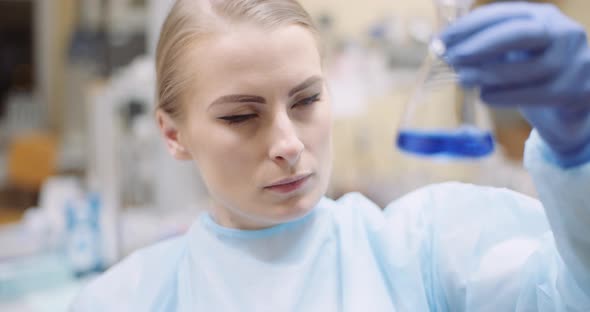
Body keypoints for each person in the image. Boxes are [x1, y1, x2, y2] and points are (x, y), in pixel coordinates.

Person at [71, 0, 590, 310]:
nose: (289, 144)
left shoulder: (420, 251)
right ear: (172, 134)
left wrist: (580, 150)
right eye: (239, 116)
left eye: (307, 100)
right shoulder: (130, 297)